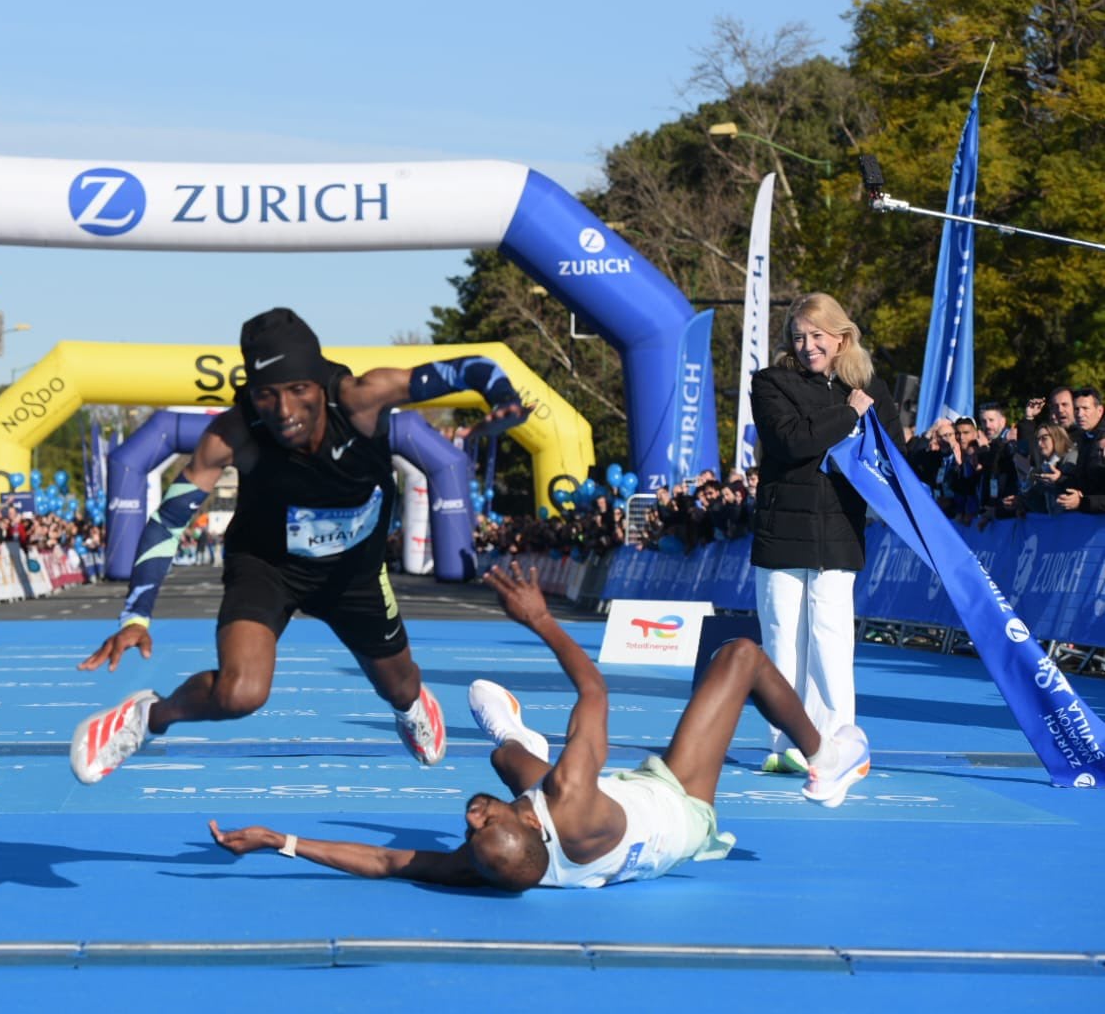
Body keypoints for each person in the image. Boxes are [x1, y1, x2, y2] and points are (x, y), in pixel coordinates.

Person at [70, 307, 528, 783]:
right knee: (239, 694)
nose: (285, 410)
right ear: (251, 393)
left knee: (400, 685)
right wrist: (135, 616)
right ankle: (146, 718)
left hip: (355, 573)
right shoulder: (233, 434)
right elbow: (168, 520)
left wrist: (504, 400)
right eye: (266, 394)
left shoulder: (362, 399)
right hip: (267, 566)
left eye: (298, 390)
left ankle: (411, 707)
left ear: (320, 383)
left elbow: (473, 367)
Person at [208, 563, 871, 891]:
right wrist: (539, 619)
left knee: (505, 763)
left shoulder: (493, 862)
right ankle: (826, 755)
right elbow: (593, 688)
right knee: (741, 657)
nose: (471, 817)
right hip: (676, 806)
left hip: (615, 840)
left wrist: (279, 840)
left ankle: (519, 740)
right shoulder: (569, 795)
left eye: (473, 828)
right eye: (486, 821)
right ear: (530, 820)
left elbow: (384, 862)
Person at [749, 293, 904, 775]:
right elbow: (791, 441)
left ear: (841, 337)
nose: (808, 345)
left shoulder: (869, 386)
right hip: (782, 530)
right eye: (798, 336)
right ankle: (785, 742)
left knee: (831, 639)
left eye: (817, 335)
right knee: (782, 638)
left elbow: (895, 453)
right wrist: (849, 414)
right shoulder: (770, 382)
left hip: (840, 530)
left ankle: (838, 742)